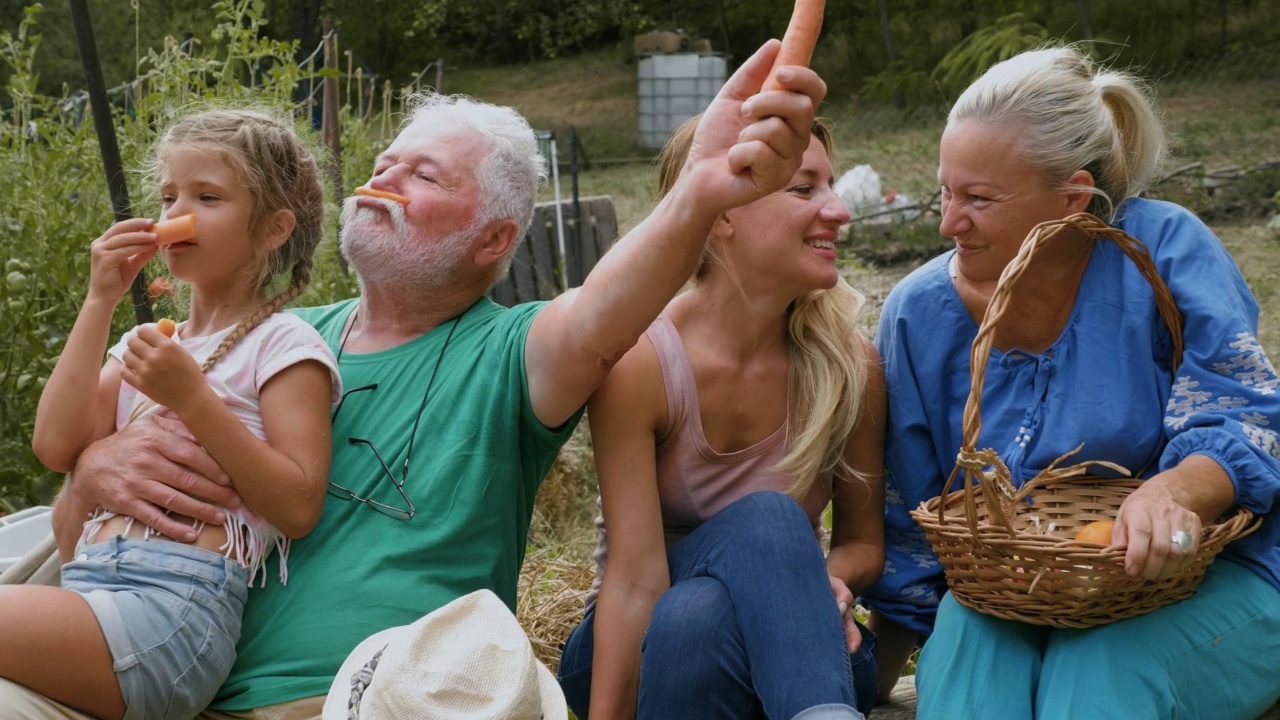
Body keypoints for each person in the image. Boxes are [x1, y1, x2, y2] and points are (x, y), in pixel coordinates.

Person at [0, 39, 827, 719]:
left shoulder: (512, 350)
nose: (383, 177)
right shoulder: (268, 337)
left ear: (493, 240)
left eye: (423, 175)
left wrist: (698, 196)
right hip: (173, 680)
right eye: (385, 160)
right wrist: (94, 469)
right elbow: (78, 486)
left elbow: (608, 307)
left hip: (368, 697)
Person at [861, 46, 1280, 719]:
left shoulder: (1164, 254)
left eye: (977, 199)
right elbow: (915, 521)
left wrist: (1174, 494)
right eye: (944, 192)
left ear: (1073, 196)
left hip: (1213, 576)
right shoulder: (919, 316)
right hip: (1011, 595)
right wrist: (857, 687)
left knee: (1100, 669)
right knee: (971, 640)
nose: (947, 223)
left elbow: (1246, 418)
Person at [1, 108, 340, 720]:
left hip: (170, 611)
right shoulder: (154, 343)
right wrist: (100, 298)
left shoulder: (285, 346)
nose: (175, 214)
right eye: (168, 196)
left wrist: (192, 399)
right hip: (95, 591)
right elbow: (55, 445)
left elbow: (297, 506)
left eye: (207, 197)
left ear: (272, 229)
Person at [556, 115, 886, 720]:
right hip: (630, 649)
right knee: (716, 582)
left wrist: (825, 583)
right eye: (803, 188)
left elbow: (864, 544)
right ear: (723, 211)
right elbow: (633, 580)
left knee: (703, 608)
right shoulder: (642, 362)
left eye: (831, 186)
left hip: (807, 652)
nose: (839, 210)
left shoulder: (849, 366)